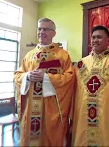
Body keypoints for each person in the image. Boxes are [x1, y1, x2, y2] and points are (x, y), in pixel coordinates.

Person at [14, 17, 75, 146]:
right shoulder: (29, 55)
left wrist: (46, 78)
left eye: (46, 29)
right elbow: (18, 75)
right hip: (31, 108)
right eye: (39, 29)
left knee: (52, 137)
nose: (41, 32)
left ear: (54, 33)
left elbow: (70, 77)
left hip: (52, 107)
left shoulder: (62, 55)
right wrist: (28, 76)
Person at [72, 25, 109, 146]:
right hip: (83, 117)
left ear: (108, 40)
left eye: (99, 37)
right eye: (93, 37)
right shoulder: (81, 63)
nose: (95, 40)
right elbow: (74, 92)